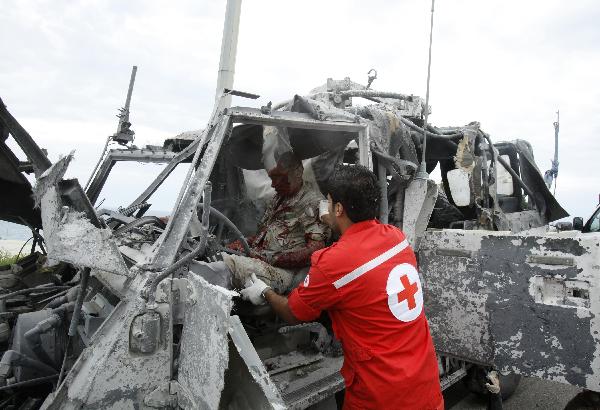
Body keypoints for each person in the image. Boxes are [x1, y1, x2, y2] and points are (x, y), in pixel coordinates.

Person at [241, 164, 444, 410]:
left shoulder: (332, 264)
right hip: (424, 382)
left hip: (382, 394)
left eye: (329, 202)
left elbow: (293, 313)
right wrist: (335, 221)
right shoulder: (396, 238)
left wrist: (264, 291)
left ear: (338, 208)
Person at [202, 151, 329, 293]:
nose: (273, 185)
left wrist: (268, 258)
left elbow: (316, 251)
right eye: (272, 178)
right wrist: (239, 244)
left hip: (284, 272)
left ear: (298, 172)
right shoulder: (278, 198)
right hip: (262, 261)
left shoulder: (312, 202)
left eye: (280, 178)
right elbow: (262, 236)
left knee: (225, 266)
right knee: (212, 256)